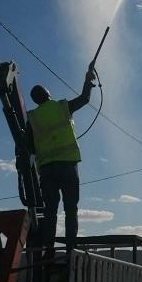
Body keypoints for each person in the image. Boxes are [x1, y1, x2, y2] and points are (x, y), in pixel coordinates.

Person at [26, 68, 96, 257]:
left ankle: (48, 249)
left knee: (50, 212)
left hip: (47, 170)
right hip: (68, 167)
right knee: (71, 209)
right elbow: (84, 99)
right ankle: (70, 249)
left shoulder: (32, 118)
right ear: (48, 94)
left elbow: (29, 147)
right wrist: (88, 80)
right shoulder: (61, 107)